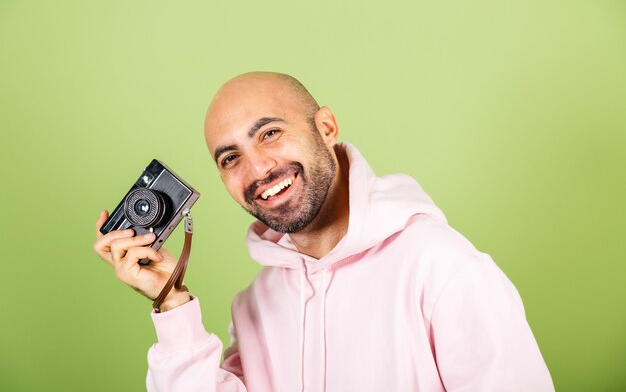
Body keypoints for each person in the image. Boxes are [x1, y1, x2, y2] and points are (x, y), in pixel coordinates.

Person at [93, 72, 555, 392]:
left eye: (270, 133)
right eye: (230, 158)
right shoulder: (255, 306)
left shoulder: (442, 269)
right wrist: (172, 300)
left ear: (327, 127)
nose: (258, 169)